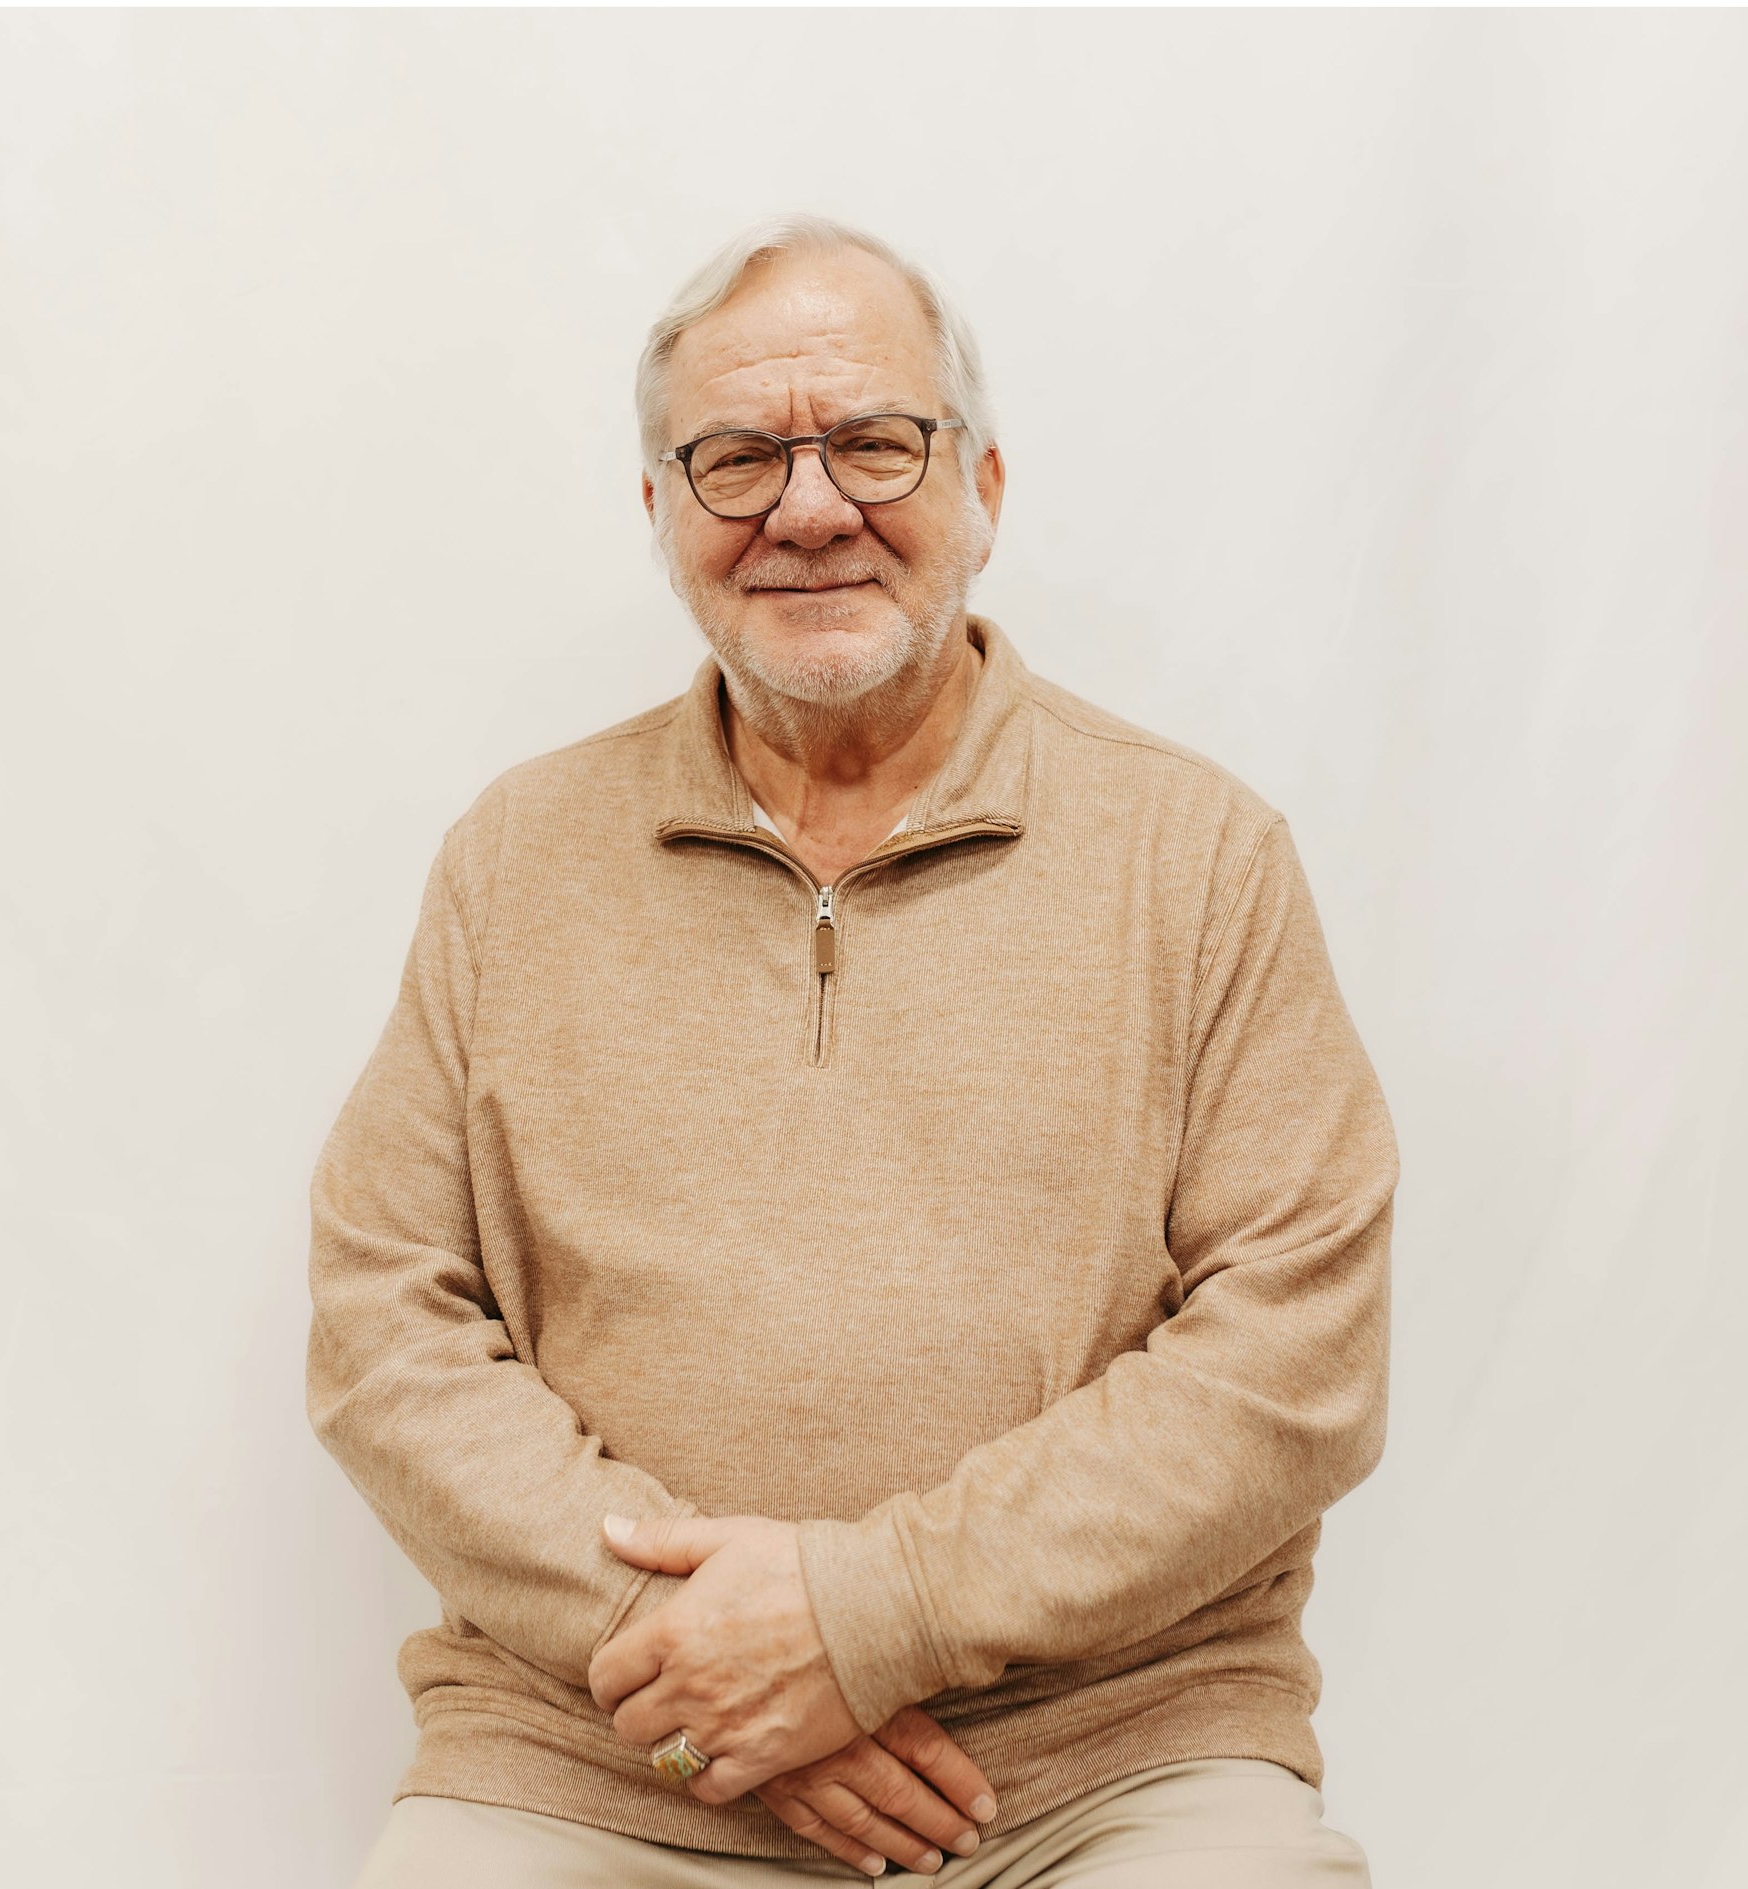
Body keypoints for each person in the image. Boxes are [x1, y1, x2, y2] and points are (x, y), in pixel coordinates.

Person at [309, 213, 1397, 1887]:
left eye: (874, 444)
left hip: (1101, 1766)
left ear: (986, 489)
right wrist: (703, 1669)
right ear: (660, 512)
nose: (809, 508)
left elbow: (1293, 1361)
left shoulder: (1201, 857)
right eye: (737, 457)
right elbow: (391, 1328)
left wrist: (863, 1622)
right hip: (605, 1756)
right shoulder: (511, 859)